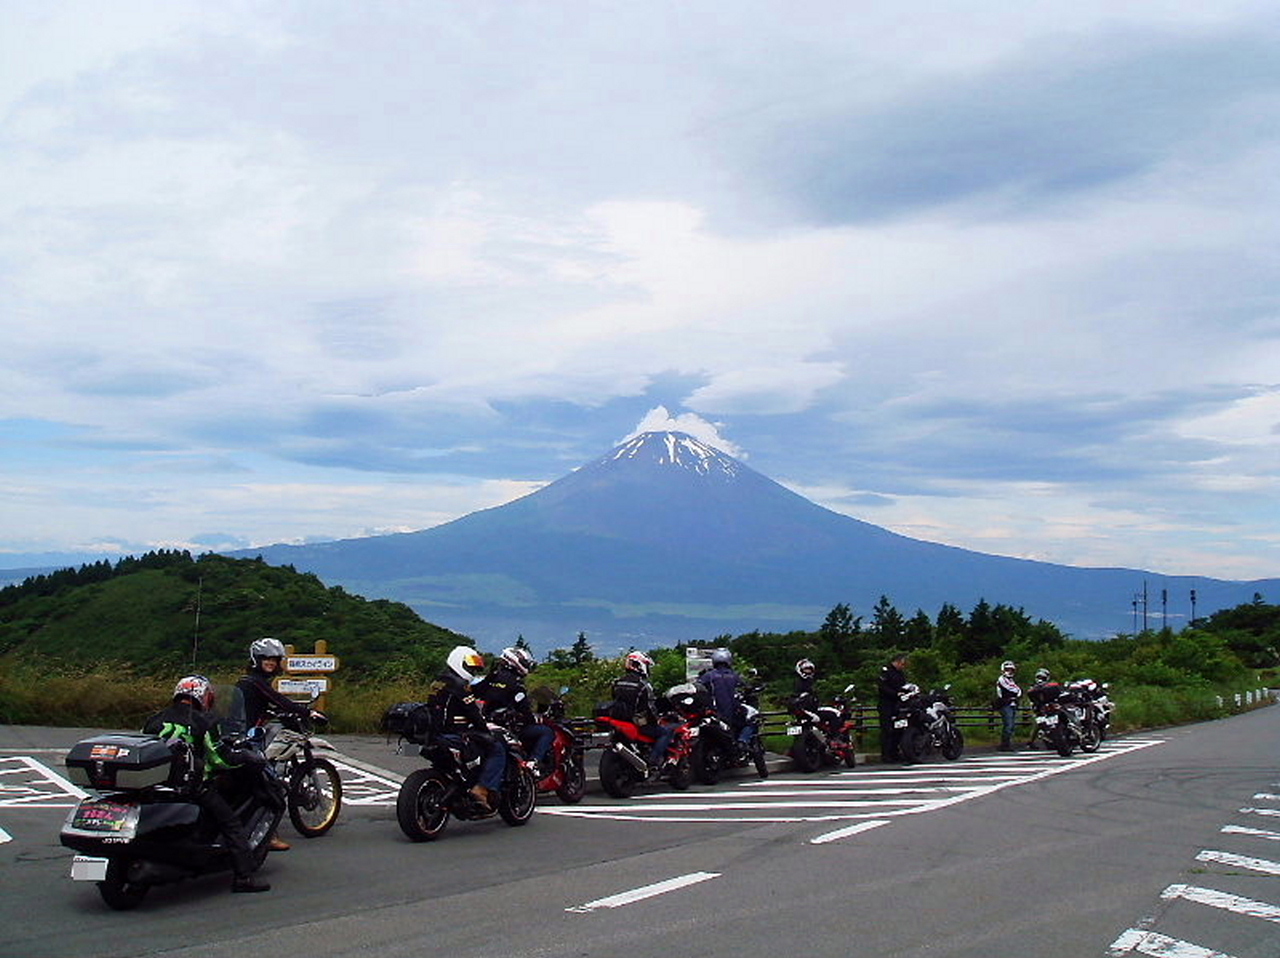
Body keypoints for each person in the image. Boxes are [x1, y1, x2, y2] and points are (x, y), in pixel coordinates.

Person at [143, 675, 271, 893]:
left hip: (158, 786)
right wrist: (246, 758)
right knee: (231, 824)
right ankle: (243, 878)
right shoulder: (204, 722)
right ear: (204, 697)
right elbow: (219, 758)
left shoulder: (156, 719)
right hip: (193, 788)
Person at [230, 637, 325, 851]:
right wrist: (309, 712)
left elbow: (262, 705)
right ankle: (269, 836)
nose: (271, 663)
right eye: (266, 659)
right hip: (249, 740)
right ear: (257, 660)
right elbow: (280, 700)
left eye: (274, 659)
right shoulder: (255, 682)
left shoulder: (247, 681)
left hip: (243, 735)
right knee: (269, 782)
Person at [425, 646, 507, 810]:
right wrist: (486, 730)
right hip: (455, 733)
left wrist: (490, 677)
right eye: (470, 668)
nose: (472, 671)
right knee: (497, 747)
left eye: (474, 669)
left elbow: (475, 691)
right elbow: (474, 714)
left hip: (436, 732)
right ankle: (481, 789)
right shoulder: (459, 687)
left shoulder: (440, 681)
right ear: (458, 662)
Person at [475, 646, 554, 776]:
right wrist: (534, 718)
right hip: (509, 728)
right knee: (547, 732)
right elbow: (525, 711)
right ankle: (533, 762)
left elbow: (476, 693)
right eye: (524, 663)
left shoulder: (491, 678)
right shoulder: (516, 685)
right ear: (515, 662)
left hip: (487, 723)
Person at [610, 651, 675, 771]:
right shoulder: (643, 686)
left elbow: (615, 699)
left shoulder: (617, 682)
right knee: (666, 732)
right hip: (638, 723)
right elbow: (650, 708)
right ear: (640, 665)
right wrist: (657, 720)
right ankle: (653, 760)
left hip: (621, 720)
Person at [696, 649, 754, 748]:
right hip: (733, 712)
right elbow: (746, 687)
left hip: (715, 713)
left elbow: (697, 686)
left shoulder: (708, 676)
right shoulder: (735, 676)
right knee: (752, 722)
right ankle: (742, 741)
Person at [876, 653, 909, 762]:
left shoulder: (901, 674)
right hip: (886, 704)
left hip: (898, 704)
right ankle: (886, 754)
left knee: (899, 729)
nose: (903, 666)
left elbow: (904, 686)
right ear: (897, 662)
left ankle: (895, 752)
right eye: (902, 663)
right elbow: (882, 687)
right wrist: (895, 694)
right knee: (887, 730)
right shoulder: (886, 672)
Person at [994, 660, 1022, 751]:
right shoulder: (1001, 679)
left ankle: (1008, 744)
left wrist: (1017, 693)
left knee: (1012, 725)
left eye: (1011, 670)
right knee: (1008, 724)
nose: (1009, 672)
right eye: (1007, 669)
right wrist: (1016, 693)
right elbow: (1012, 689)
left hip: (1012, 704)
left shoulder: (1011, 680)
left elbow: (1018, 690)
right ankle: (1004, 744)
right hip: (1005, 704)